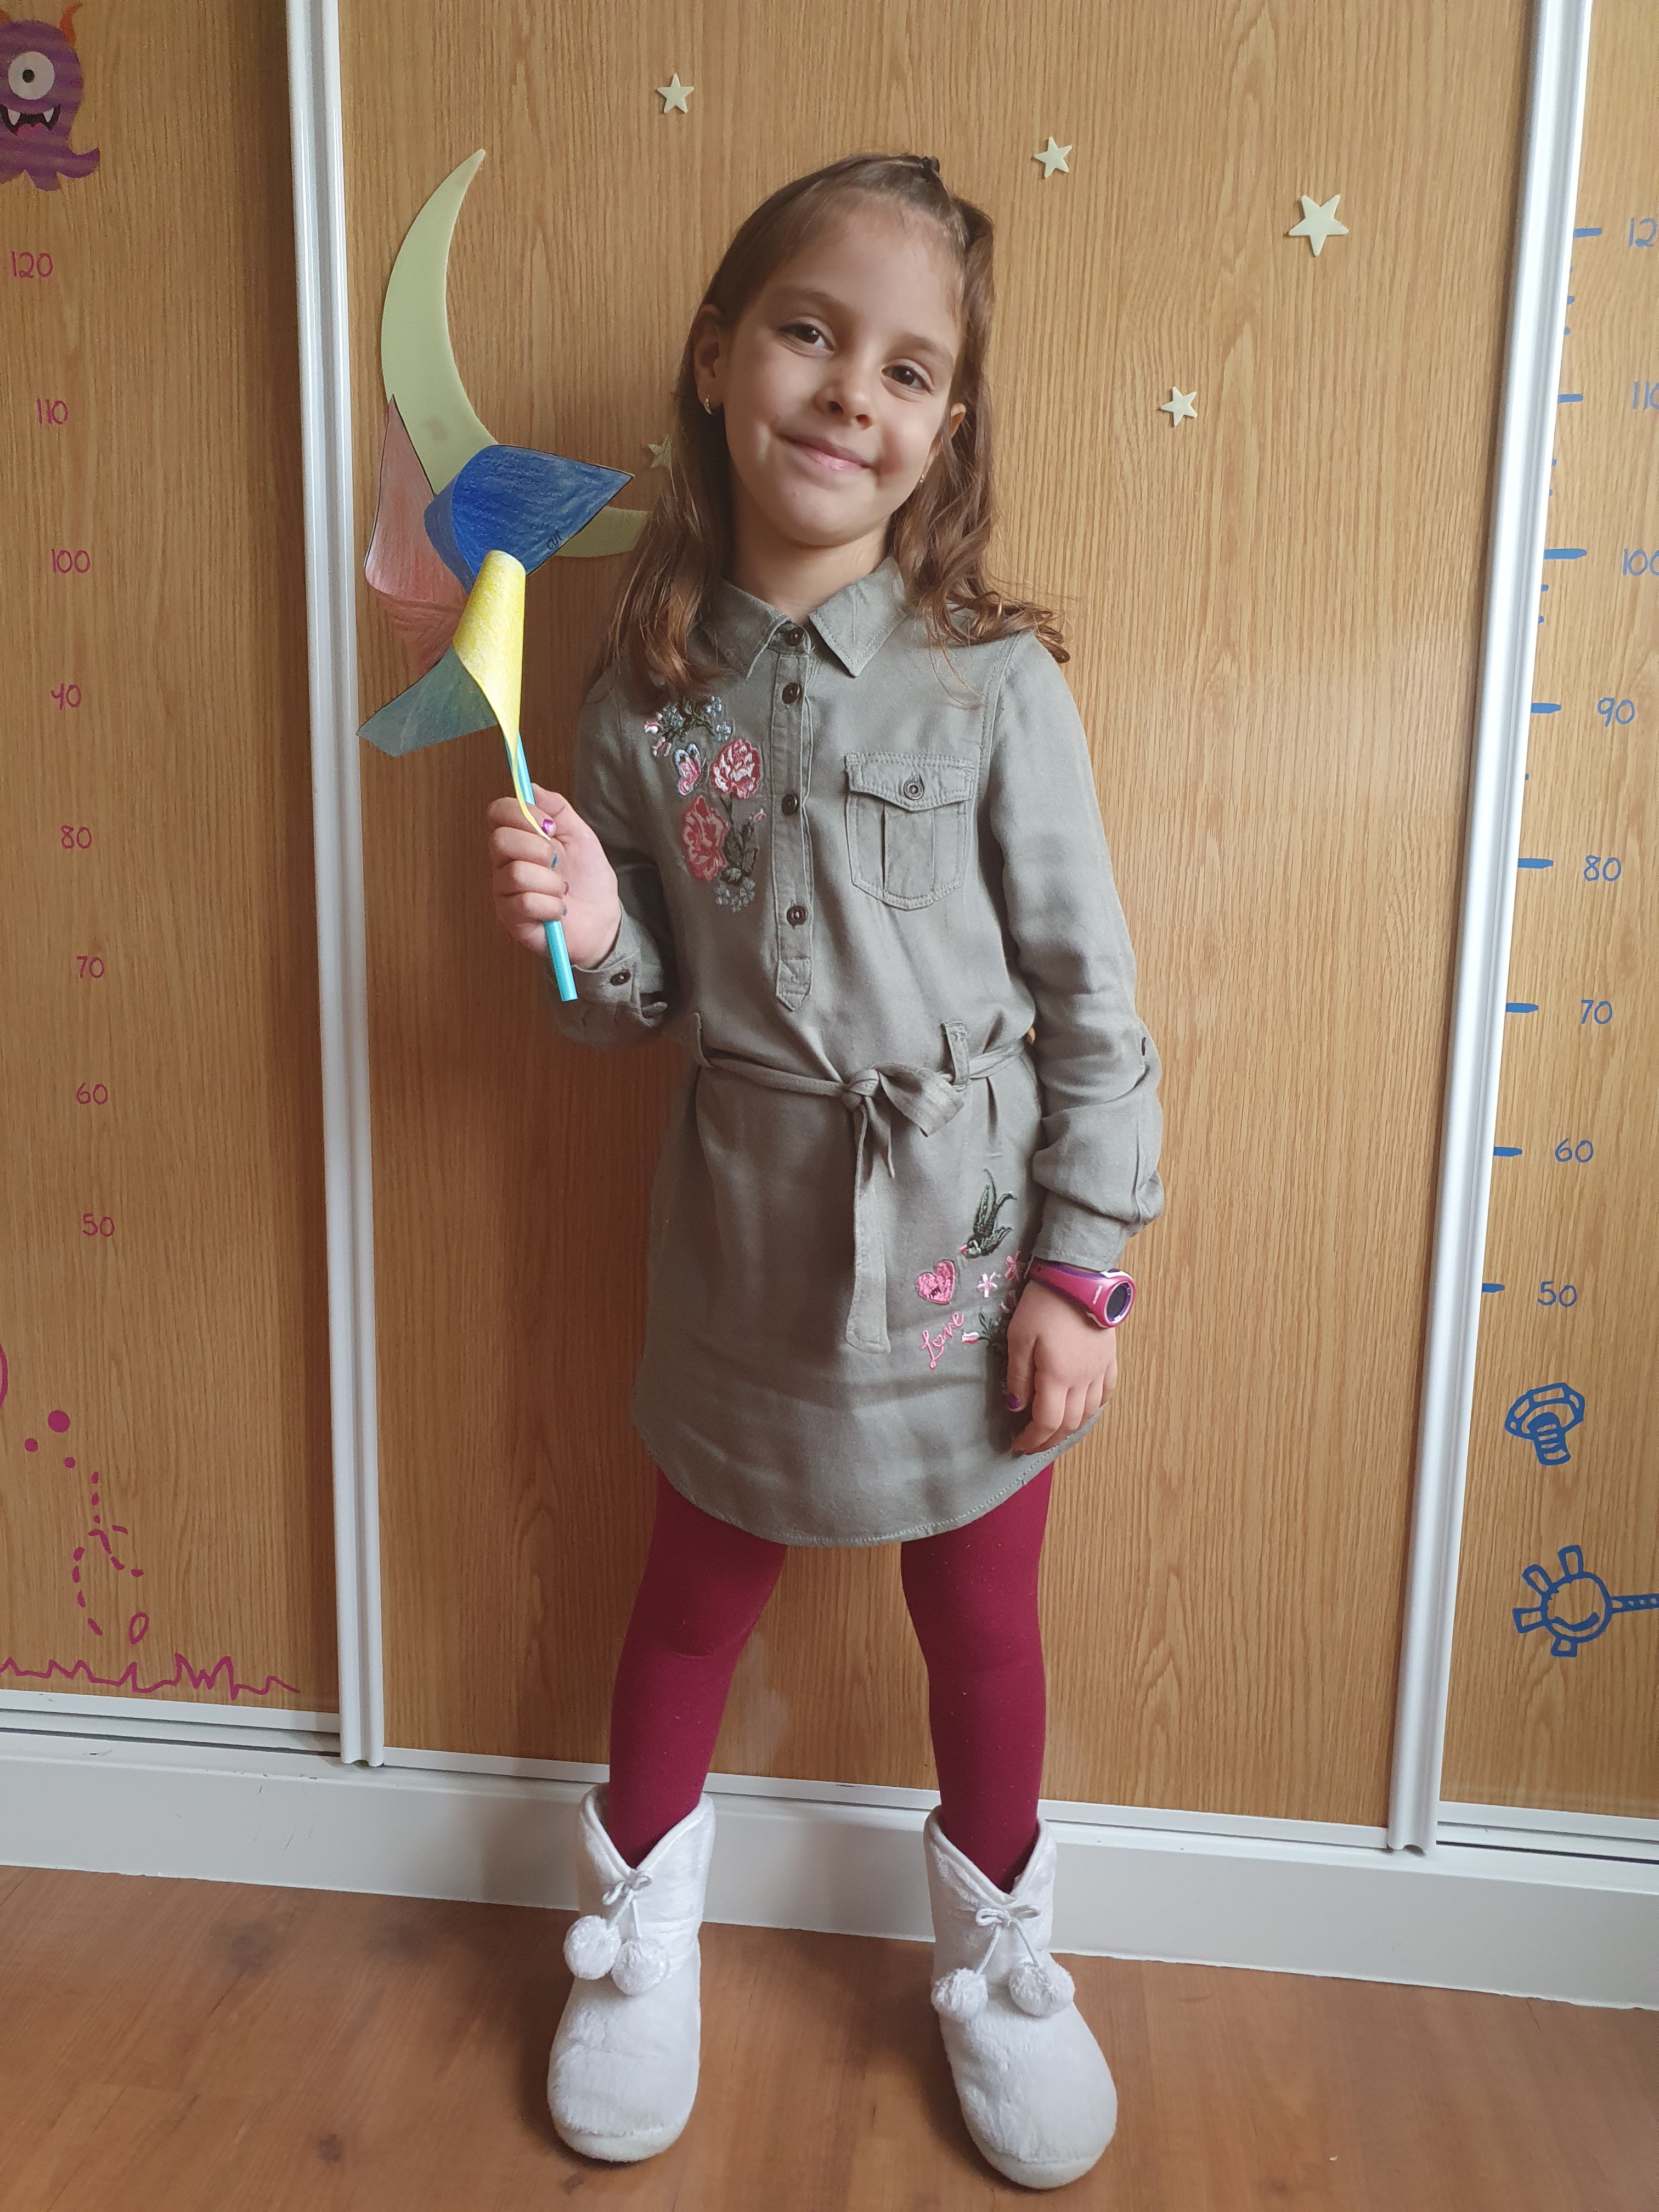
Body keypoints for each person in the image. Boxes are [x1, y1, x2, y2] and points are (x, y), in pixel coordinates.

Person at [485, 149, 1164, 2191]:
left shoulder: (997, 682)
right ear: (717, 357)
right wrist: (588, 924)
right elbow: (628, 1016)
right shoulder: (638, 699)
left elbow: (1091, 1002)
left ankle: (1003, 1961)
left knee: (985, 1622)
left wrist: (1084, 1271)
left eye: (909, 369)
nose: (852, 392)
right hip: (746, 1243)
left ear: (945, 431)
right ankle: (638, 1942)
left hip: (968, 1252)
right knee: (689, 1601)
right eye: (809, 332)